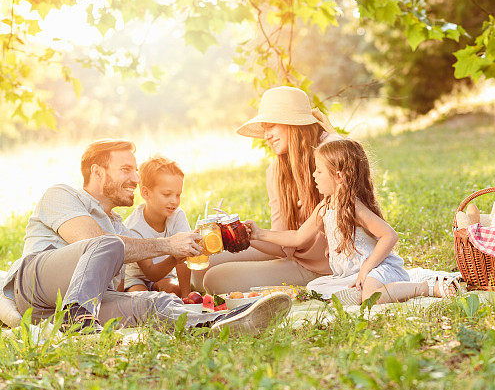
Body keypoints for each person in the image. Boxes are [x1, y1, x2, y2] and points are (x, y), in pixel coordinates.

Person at [0, 139, 290, 333]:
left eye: (136, 170)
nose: (136, 179)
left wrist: (179, 254)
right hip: (34, 285)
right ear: (97, 172)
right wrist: (167, 244)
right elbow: (90, 241)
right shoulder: (61, 194)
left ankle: (225, 321)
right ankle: (81, 320)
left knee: (153, 303)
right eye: (126, 169)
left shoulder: (120, 228)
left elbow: (129, 274)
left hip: (66, 310)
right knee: (107, 243)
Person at [246, 139, 460, 305]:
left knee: (370, 297)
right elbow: (297, 236)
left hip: (378, 267)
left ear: (338, 176)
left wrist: (367, 268)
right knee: (316, 289)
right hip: (351, 273)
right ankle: (370, 289)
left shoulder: (352, 207)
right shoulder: (324, 207)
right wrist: (258, 234)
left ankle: (425, 288)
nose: (314, 175)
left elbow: (389, 235)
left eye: (319, 170)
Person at [198, 86, 339, 294]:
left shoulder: (331, 152)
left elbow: (356, 182)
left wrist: (335, 138)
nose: (267, 136)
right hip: (294, 253)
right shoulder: (277, 170)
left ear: (292, 122)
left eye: (271, 126)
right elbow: (282, 245)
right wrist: (250, 235)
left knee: (215, 279)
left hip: (325, 267)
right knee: (202, 264)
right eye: (264, 128)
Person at [123, 155, 191, 298]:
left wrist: (186, 297)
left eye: (178, 195)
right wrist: (175, 257)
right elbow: (151, 273)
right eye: (167, 194)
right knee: (142, 299)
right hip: (136, 278)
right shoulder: (133, 228)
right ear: (146, 193)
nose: (174, 201)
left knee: (174, 291)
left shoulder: (177, 216)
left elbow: (183, 260)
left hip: (165, 274)